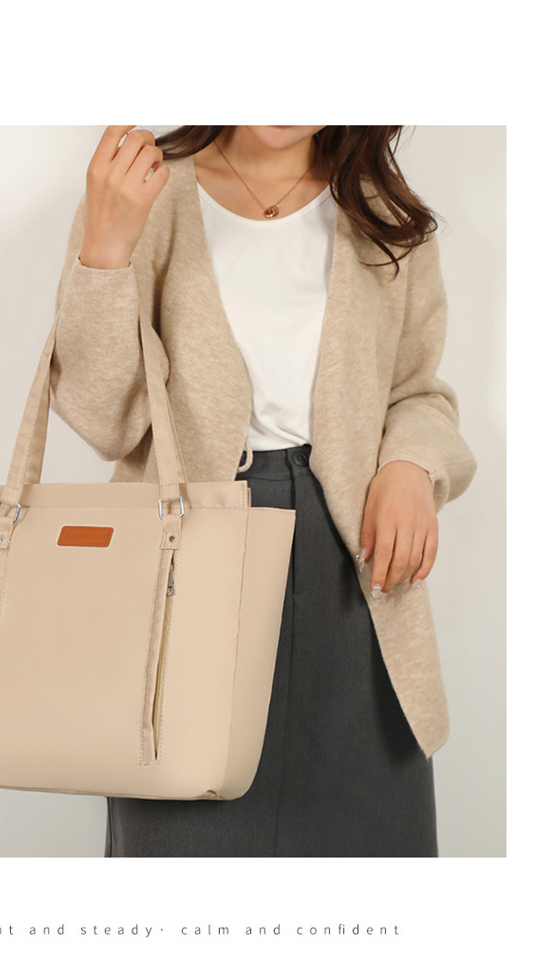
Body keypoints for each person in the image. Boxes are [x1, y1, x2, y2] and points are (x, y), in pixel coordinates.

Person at [48, 125, 477, 857]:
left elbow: (417, 391)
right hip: (189, 569)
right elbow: (105, 417)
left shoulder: (382, 212)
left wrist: (410, 464)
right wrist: (106, 249)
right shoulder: (148, 192)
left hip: (356, 576)